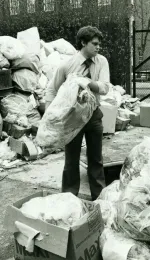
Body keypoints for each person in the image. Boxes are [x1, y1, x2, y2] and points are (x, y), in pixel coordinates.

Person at [45, 26, 110, 200]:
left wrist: (86, 82)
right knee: (71, 160)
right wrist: (49, 116)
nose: (98, 47)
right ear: (83, 43)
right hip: (73, 118)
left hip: (94, 115)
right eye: (94, 44)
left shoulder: (102, 61)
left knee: (96, 159)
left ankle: (99, 199)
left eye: (99, 44)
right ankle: (68, 199)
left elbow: (104, 88)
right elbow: (51, 89)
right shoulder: (67, 65)